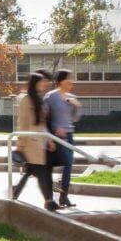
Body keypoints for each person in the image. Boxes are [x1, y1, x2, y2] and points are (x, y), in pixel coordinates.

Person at [13, 72, 59, 211]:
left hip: (41, 142)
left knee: (33, 172)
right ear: (35, 83)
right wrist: (20, 146)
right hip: (31, 143)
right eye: (41, 82)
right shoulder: (26, 100)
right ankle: (49, 201)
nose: (45, 84)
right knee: (42, 173)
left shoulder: (40, 99)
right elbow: (23, 123)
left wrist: (49, 139)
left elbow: (43, 123)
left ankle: (15, 194)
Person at [46, 69, 81, 208]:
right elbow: (45, 116)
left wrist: (76, 105)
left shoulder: (71, 96)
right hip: (56, 136)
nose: (71, 81)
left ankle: (63, 196)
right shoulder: (51, 96)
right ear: (60, 80)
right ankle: (57, 195)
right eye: (69, 78)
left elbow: (75, 118)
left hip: (69, 134)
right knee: (66, 162)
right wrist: (54, 130)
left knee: (69, 165)